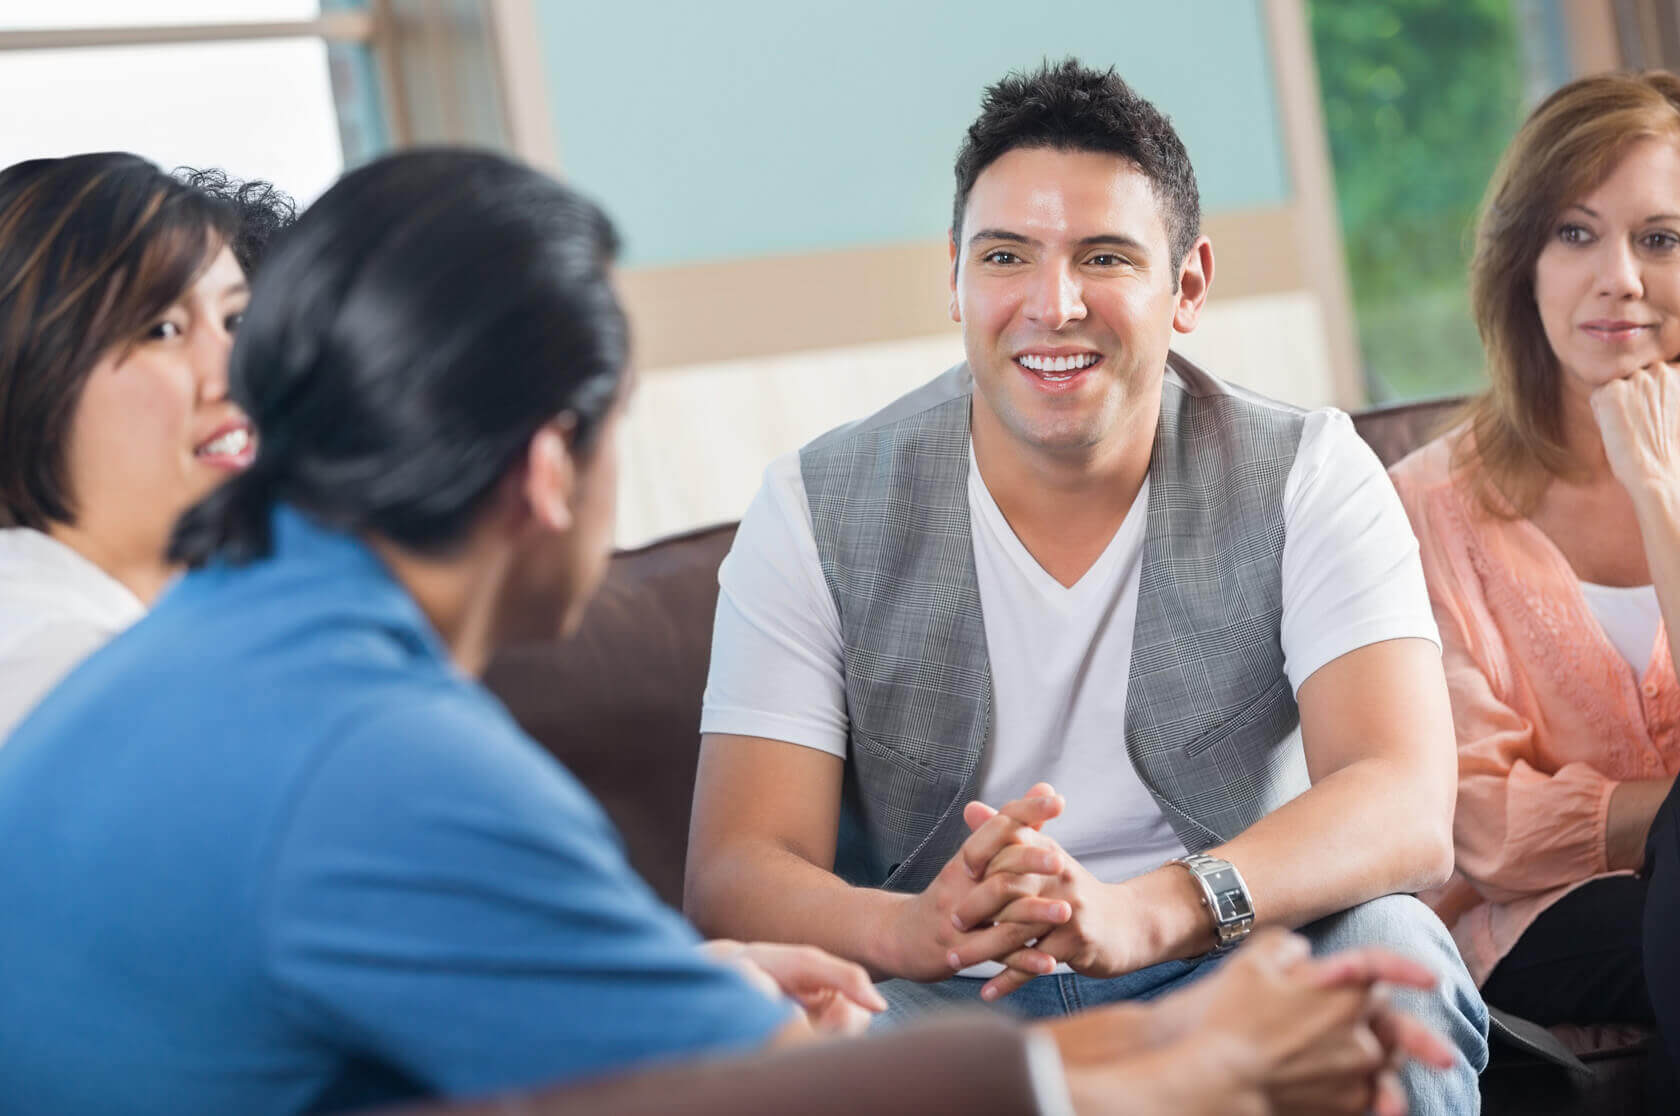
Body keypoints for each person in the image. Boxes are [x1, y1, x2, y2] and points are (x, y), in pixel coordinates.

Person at [0, 148, 1456, 1116]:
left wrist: (1178, 1023)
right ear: (550, 469)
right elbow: (746, 1099)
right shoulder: (380, 755)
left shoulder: (200, 667)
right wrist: (1173, 1066)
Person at [685, 58, 1488, 1113]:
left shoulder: (1307, 473)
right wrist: (910, 928)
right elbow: (736, 866)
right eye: (1007, 256)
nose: (1052, 305)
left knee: (1392, 952)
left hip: (1229, 961)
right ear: (958, 280)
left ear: (1187, 286)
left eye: (1103, 257)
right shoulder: (813, 507)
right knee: (769, 1021)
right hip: (943, 996)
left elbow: (1404, 802)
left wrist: (1156, 909)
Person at [1390, 69, 1680, 1094]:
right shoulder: (1426, 507)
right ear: (1522, 262)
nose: (1621, 279)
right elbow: (1481, 822)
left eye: (1661, 238)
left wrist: (1660, 496)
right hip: (1539, 929)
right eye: (1575, 233)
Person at [0, 152, 295, 739]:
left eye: (236, 320)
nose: (234, 372)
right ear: (26, 376)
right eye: (164, 330)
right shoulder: (69, 680)